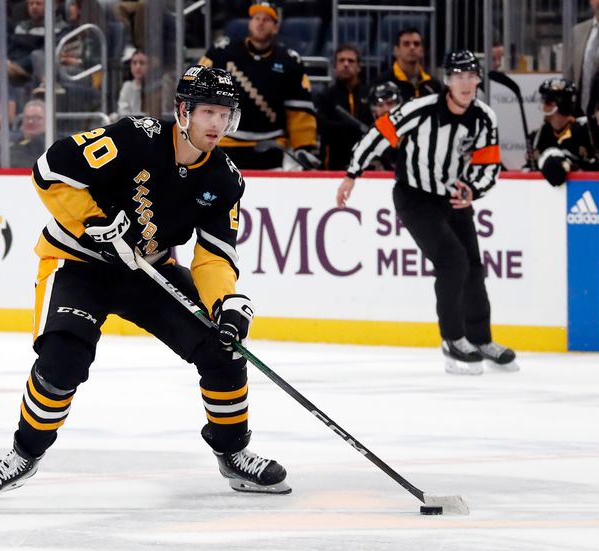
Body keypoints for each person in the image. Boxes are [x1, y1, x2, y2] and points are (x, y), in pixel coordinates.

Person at [0, 65, 289, 496]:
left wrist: (226, 303)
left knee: (223, 347)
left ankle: (232, 454)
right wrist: (95, 223)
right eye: (208, 112)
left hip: (148, 271)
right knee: (62, 361)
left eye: (224, 113)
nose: (216, 124)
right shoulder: (134, 137)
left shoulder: (224, 179)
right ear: (184, 111)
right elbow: (49, 170)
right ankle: (24, 455)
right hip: (78, 262)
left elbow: (214, 256)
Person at [336, 50, 519, 376]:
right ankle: (452, 340)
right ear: (447, 81)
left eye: (470, 76)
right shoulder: (420, 109)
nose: (465, 82)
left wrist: (473, 189)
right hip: (415, 197)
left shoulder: (484, 117)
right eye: (458, 76)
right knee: (452, 261)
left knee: (474, 267)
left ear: (478, 80)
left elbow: (489, 166)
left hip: (453, 198)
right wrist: (352, 174)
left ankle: (480, 339)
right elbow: (379, 134)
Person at [199, 0, 319, 169]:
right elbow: (197, 93)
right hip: (224, 143)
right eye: (256, 18)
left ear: (276, 27)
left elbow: (300, 109)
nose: (260, 23)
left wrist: (303, 147)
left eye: (266, 19)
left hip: (271, 146)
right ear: (250, 23)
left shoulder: (290, 61)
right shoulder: (221, 53)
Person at [315, 44, 373, 170]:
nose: (346, 64)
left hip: (366, 164)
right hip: (334, 166)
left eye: (351, 61)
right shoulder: (325, 96)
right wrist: (355, 128)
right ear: (335, 66)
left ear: (359, 67)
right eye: (341, 60)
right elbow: (323, 127)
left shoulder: (369, 94)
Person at [373, 27, 442, 103]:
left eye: (416, 44)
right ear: (396, 50)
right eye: (406, 44)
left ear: (422, 50)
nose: (412, 47)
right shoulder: (383, 83)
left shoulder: (433, 84)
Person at [0, 99, 46, 167]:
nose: (30, 122)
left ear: (48, 120)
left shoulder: (49, 143)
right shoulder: (13, 142)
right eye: (27, 118)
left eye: (37, 118)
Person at [117, 48, 149, 116]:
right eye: (134, 63)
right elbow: (123, 113)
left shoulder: (158, 87)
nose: (138, 67)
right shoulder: (127, 86)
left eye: (142, 63)